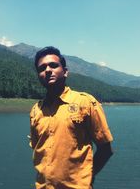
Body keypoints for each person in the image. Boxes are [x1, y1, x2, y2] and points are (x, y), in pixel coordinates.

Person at [29, 46, 113, 189]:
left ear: (65, 72)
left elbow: (105, 149)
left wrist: (87, 178)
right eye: (42, 68)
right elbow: (38, 150)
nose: (48, 70)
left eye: (53, 65)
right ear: (39, 75)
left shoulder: (85, 102)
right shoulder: (36, 110)